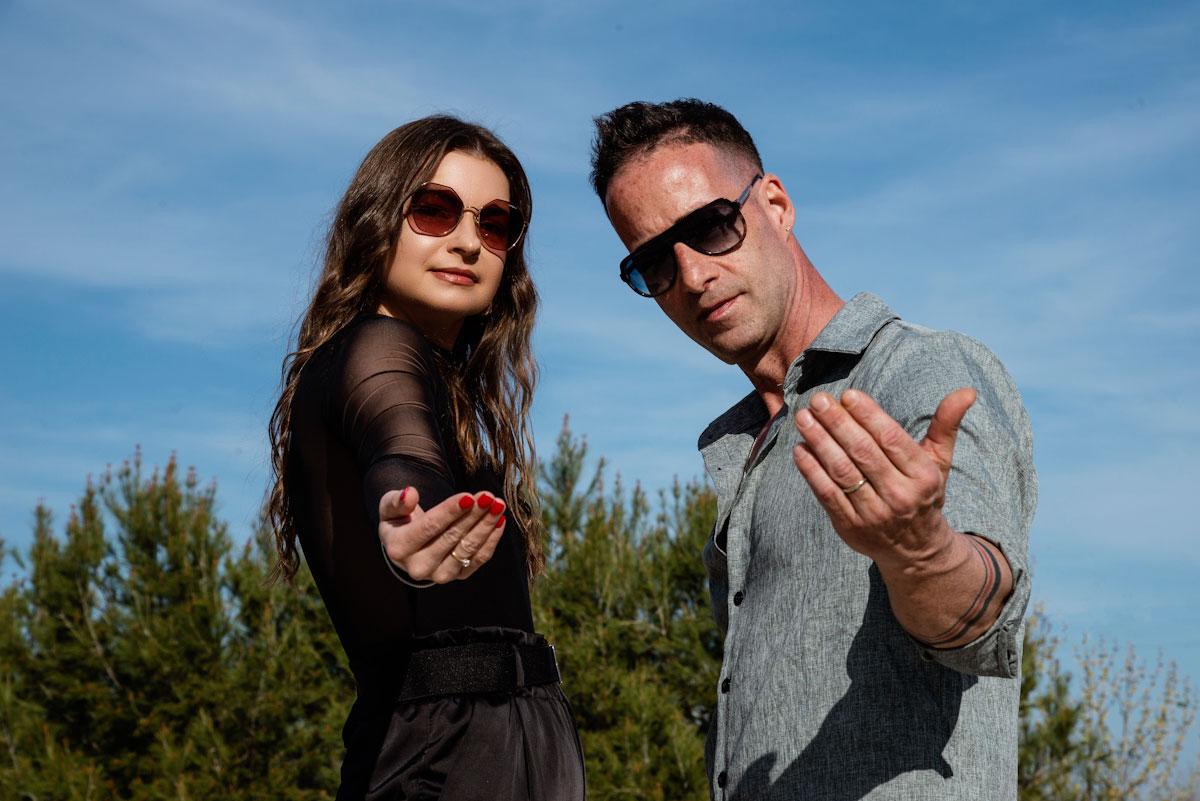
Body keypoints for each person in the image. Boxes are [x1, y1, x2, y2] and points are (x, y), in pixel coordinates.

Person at [590, 99, 1036, 800]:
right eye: (653, 263)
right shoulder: (749, 439)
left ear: (775, 204)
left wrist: (922, 553)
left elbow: (985, 622)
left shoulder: (923, 371)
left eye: (709, 227)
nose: (693, 275)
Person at [268, 116, 585, 801]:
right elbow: (399, 446)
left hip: (499, 749)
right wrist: (408, 511)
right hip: (444, 758)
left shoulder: (452, 389)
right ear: (378, 219)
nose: (468, 241)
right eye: (435, 210)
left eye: (495, 224)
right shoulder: (376, 347)